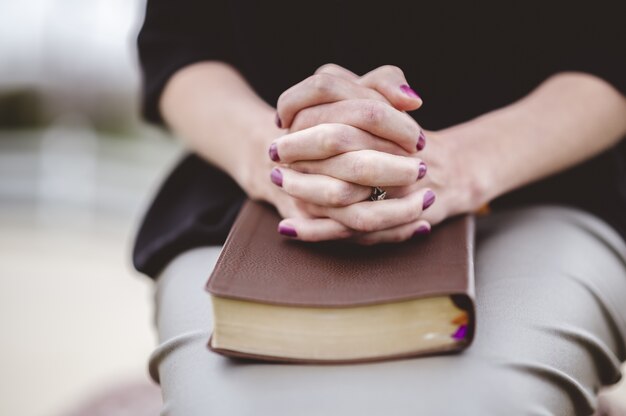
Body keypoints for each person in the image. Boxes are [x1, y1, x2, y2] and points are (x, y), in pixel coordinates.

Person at [133, 1, 626, 414]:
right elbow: (180, 43)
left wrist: (463, 165)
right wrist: (283, 154)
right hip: (254, 200)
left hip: (534, 185)